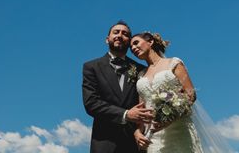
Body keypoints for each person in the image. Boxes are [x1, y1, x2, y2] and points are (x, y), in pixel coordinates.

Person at [130, 31, 231, 153]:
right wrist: (138, 132)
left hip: (180, 129)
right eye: (131, 48)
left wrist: (169, 118)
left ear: (150, 42)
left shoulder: (173, 63)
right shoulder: (141, 75)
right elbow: (143, 109)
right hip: (154, 136)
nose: (134, 48)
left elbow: (191, 95)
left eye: (136, 43)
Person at [82, 21, 155, 153]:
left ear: (129, 41)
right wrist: (126, 114)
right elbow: (91, 103)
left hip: (136, 144)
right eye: (116, 32)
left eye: (125, 34)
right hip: (105, 144)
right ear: (107, 39)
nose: (120, 35)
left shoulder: (141, 70)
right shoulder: (91, 67)